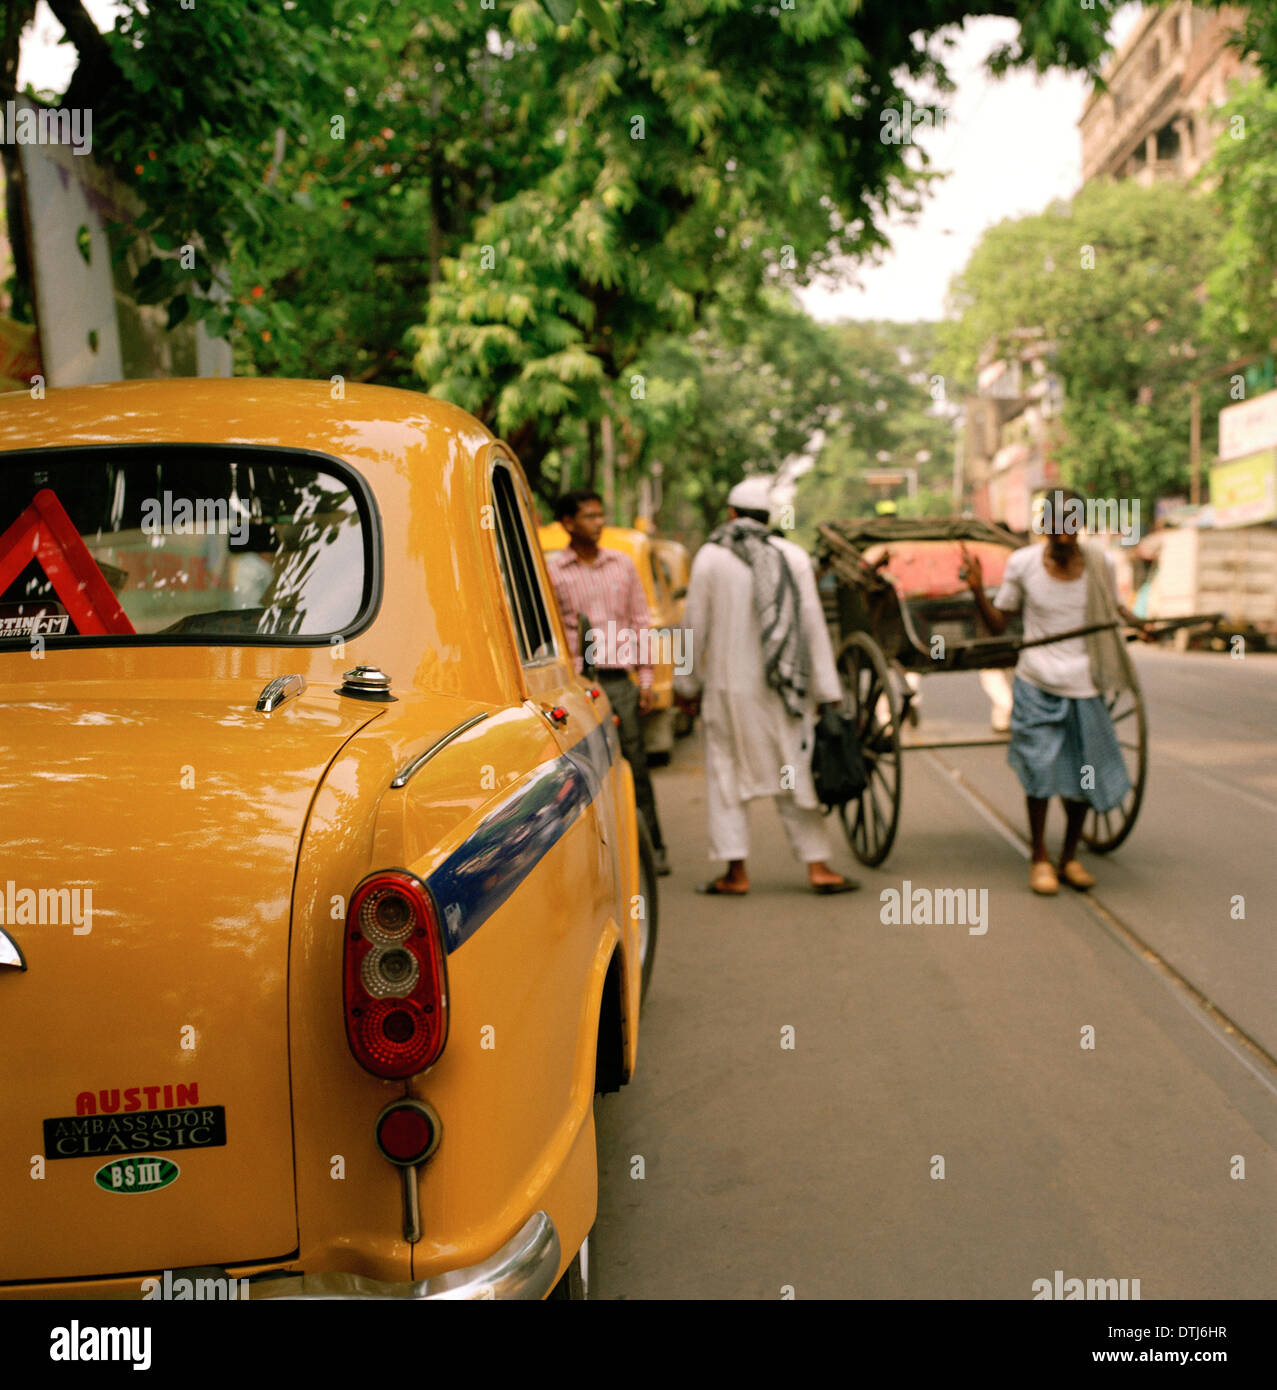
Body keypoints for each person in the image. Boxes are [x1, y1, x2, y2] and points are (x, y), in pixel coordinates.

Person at [963, 488, 1154, 895]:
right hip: (1036, 683)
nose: (1064, 532)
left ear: (1080, 526)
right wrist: (979, 589)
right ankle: (1039, 857)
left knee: (1085, 775)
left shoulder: (1099, 563)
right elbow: (1000, 623)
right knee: (1039, 773)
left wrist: (1139, 623)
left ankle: (1069, 857)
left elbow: (1114, 607)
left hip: (1085, 685)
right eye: (1056, 523)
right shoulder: (1023, 564)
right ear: (1045, 526)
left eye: (1072, 523)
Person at [674, 477, 858, 895]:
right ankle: (819, 868)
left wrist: (686, 687)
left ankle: (736, 874)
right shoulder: (792, 556)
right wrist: (827, 693)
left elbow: (691, 630)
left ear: (732, 514)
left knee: (727, 779)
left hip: (727, 693)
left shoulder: (711, 557)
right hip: (786, 689)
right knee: (795, 774)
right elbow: (814, 628)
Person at [546, 489, 670, 875]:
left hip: (619, 681)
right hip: (578, 684)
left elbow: (639, 621)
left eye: (600, 515)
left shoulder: (623, 565)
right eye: (588, 517)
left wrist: (645, 679)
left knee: (634, 764)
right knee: (583, 770)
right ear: (568, 523)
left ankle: (653, 850)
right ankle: (596, 860)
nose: (598, 523)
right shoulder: (552, 573)